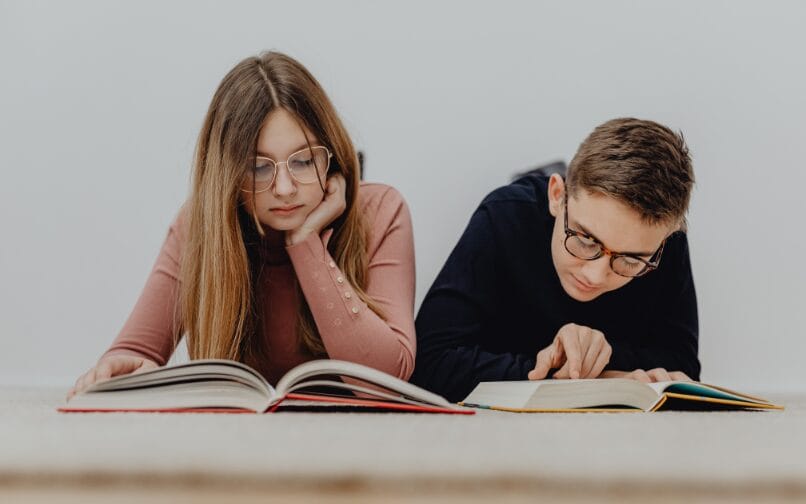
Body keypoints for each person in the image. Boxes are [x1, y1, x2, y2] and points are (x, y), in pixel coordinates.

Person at [69, 52, 416, 397]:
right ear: (229, 175)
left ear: (332, 155)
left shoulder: (380, 212)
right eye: (258, 168)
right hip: (241, 442)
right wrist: (120, 368)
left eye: (304, 161)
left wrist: (306, 242)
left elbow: (384, 382)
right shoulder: (200, 227)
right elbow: (136, 352)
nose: (284, 189)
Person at [411, 118, 699, 402]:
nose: (595, 275)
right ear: (557, 195)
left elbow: (681, 370)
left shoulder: (663, 245)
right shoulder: (506, 215)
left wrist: (603, 355)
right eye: (586, 240)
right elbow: (430, 365)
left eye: (630, 260)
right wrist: (585, 379)